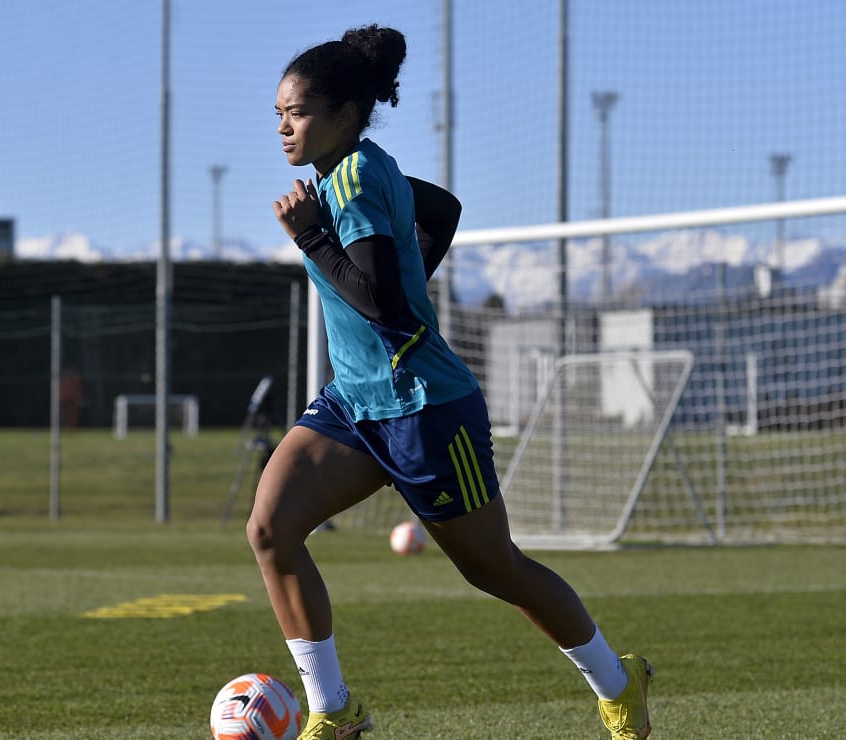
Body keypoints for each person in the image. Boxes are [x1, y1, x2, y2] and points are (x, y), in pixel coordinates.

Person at [249, 24, 653, 740]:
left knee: (496, 569)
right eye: (278, 112)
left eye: (298, 112)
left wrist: (311, 238)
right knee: (272, 530)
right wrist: (400, 269)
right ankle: (333, 709)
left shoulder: (352, 183)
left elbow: (381, 303)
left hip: (425, 410)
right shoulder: (354, 170)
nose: (284, 127)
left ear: (346, 113)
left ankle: (619, 683)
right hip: (355, 401)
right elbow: (442, 212)